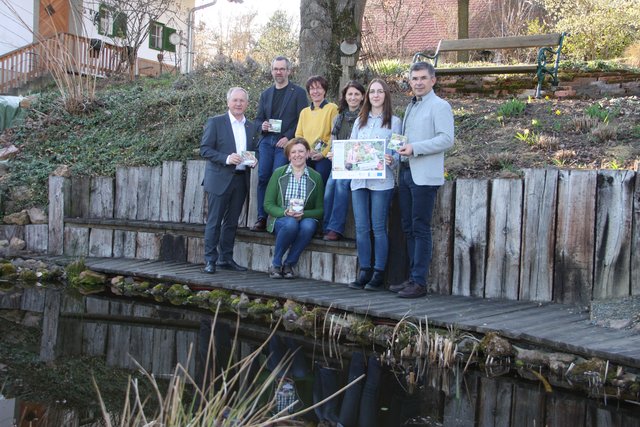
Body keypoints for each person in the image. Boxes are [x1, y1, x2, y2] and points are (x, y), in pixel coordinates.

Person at [390, 62, 454, 298]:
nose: (418, 82)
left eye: (423, 78)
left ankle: (419, 282)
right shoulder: (411, 106)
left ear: (433, 80)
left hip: (425, 175)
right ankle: (410, 278)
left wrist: (415, 148)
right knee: (408, 227)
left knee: (420, 227)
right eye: (414, 78)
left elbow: (446, 139)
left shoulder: (440, 106)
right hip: (406, 172)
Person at [348, 78, 402, 291]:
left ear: (386, 95)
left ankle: (379, 272)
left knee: (378, 227)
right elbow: (351, 147)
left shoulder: (395, 121)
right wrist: (343, 157)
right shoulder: (359, 121)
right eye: (372, 92)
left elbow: (398, 150)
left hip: (382, 181)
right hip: (359, 180)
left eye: (380, 92)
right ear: (367, 96)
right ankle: (365, 270)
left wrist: (393, 158)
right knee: (361, 228)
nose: (376, 95)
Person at [200, 87, 259, 274]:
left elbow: (253, 149)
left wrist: (254, 159)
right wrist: (226, 158)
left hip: (241, 179)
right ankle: (210, 260)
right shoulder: (216, 122)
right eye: (235, 100)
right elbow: (205, 149)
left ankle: (226, 258)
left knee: (232, 222)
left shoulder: (251, 127)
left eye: (242, 101)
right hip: (219, 178)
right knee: (214, 221)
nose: (239, 104)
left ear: (247, 104)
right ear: (228, 102)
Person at [251, 56, 308, 232]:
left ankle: (277, 217)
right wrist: (263, 125)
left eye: (282, 69)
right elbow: (257, 119)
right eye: (276, 69)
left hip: (285, 144)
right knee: (262, 178)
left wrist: (289, 138)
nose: (279, 72)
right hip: (267, 141)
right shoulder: (265, 94)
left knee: (278, 177)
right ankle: (261, 217)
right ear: (272, 71)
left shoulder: (297, 92)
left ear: (289, 71)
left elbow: (302, 119)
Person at [264, 138, 324, 279]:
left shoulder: (316, 177)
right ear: (289, 155)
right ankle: (276, 264)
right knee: (290, 224)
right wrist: (285, 212)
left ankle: (289, 264)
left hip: (304, 217)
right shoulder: (279, 173)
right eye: (294, 152)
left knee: (309, 226)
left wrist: (303, 214)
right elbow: (268, 204)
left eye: (301, 151)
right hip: (281, 219)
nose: (297, 155)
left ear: (308, 153)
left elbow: (320, 210)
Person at [323, 81, 366, 241]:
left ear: (362, 97)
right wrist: (332, 153)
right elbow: (334, 141)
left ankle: (335, 228)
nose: (353, 97)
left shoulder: (365, 117)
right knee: (329, 187)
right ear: (345, 97)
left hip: (355, 163)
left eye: (356, 94)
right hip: (339, 162)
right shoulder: (338, 117)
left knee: (341, 185)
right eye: (350, 94)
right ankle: (326, 226)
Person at [295, 75, 338, 185]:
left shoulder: (332, 108)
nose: (315, 91)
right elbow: (299, 135)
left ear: (324, 90)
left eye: (319, 88)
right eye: (312, 88)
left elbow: (334, 135)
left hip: (324, 156)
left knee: (319, 182)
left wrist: (322, 153)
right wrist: (306, 151)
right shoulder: (304, 112)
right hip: (306, 155)